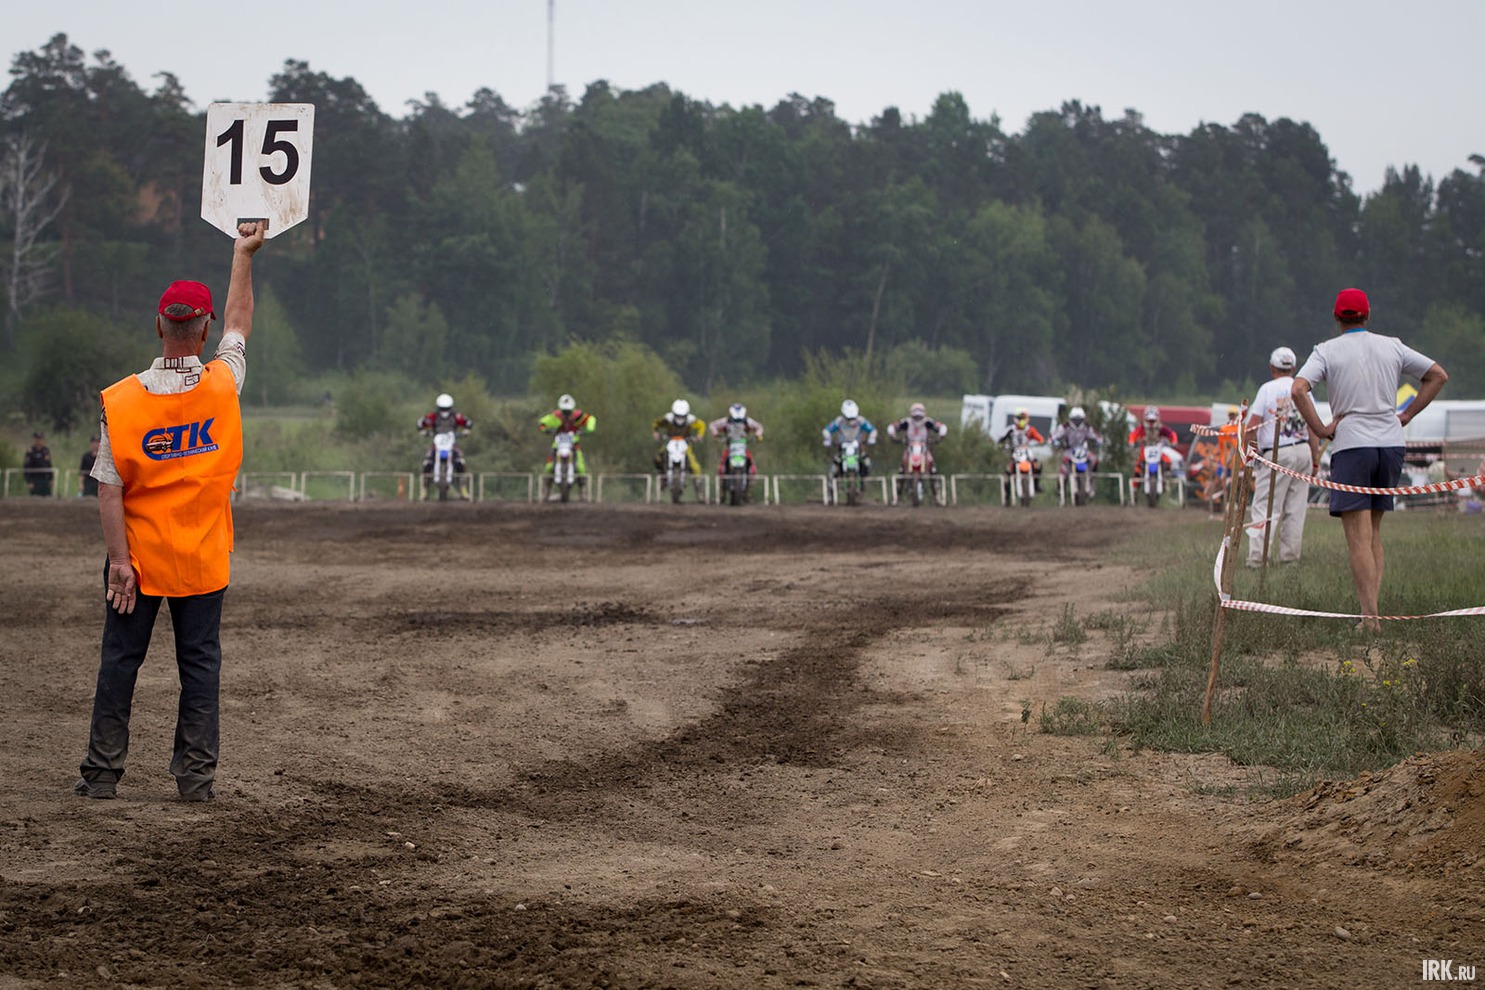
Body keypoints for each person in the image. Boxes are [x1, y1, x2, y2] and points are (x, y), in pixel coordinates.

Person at [74, 220, 266, 802]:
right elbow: (240, 323)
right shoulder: (222, 383)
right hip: (202, 557)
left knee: (120, 662)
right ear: (202, 329)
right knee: (200, 666)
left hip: (139, 559)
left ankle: (103, 775)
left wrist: (118, 563)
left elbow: (108, 487)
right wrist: (242, 253)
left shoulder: (122, 400)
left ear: (159, 324)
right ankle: (196, 779)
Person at [1292, 288, 1447, 632]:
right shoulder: (1392, 345)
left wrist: (1320, 428)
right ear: (1368, 314)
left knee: (1357, 538)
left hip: (1351, 445)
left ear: (1336, 317)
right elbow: (1438, 375)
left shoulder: (1326, 351)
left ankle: (1370, 619)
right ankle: (1372, 614)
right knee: (1374, 532)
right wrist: (1404, 415)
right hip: (1391, 445)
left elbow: (1298, 389)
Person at [1246, 348, 1322, 567]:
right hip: (1303, 451)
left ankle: (1258, 558)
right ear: (1294, 368)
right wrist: (1314, 458)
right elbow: (1313, 427)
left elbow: (1252, 427)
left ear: (1272, 368)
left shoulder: (1267, 390)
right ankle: (1289, 559)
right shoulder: (1303, 389)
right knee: (1295, 509)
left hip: (1276, 453)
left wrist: (1250, 458)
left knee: (1265, 506)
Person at [538, 394, 597, 498]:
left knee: (581, 467)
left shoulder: (578, 416)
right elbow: (543, 422)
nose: (566, 414)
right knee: (548, 467)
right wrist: (545, 429)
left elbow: (591, 419)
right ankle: (547, 489)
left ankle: (582, 489)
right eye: (564, 412)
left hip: (574, 444)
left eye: (568, 412)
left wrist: (588, 430)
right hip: (557, 445)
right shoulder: (555, 416)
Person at [417, 392, 473, 499]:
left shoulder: (456, 416)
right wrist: (423, 432)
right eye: (442, 408)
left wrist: (466, 431)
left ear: (450, 408)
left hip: (451, 444)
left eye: (446, 408)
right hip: (436, 444)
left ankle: (463, 489)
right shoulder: (433, 417)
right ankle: (424, 490)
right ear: (438, 408)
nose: (444, 411)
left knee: (461, 462)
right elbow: (420, 423)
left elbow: (468, 423)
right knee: (427, 463)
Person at [652, 399, 706, 501]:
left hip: (685, 444)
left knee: (695, 466)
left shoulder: (691, 420)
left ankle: (699, 491)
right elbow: (656, 423)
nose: (680, 419)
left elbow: (702, 425)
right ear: (673, 413)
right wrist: (655, 432)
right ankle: (663, 477)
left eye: (682, 416)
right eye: (678, 416)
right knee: (658, 458)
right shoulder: (667, 419)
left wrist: (699, 436)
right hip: (669, 442)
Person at [708, 403, 764, 500]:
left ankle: (748, 493)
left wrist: (757, 435)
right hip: (730, 448)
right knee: (721, 469)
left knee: (753, 469)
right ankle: (722, 493)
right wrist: (716, 434)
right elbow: (712, 425)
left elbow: (759, 427)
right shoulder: (726, 421)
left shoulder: (747, 421)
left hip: (743, 448)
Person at [1050, 406, 1104, 492]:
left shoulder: (1086, 427)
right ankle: (1060, 487)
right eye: (1075, 419)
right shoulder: (1065, 427)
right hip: (1069, 450)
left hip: (1083, 450)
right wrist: (1055, 441)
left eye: (1079, 419)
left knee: (1094, 459)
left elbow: (1096, 436)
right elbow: (1053, 436)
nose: (1077, 421)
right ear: (1071, 418)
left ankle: (1091, 478)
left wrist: (1099, 441)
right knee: (1064, 469)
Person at [822, 399, 878, 479]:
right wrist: (828, 439)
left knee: (867, 463)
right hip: (842, 448)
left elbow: (872, 430)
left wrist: (872, 438)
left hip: (857, 448)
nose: (851, 421)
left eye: (853, 418)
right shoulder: (839, 421)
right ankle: (832, 485)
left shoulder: (861, 420)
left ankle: (864, 479)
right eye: (849, 419)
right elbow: (827, 430)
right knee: (834, 467)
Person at [998, 408, 1045, 489]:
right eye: (1020, 418)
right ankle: (1007, 490)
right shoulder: (1010, 429)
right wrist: (1001, 445)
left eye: (1024, 418)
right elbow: (1001, 439)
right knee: (1008, 470)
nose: (1022, 420)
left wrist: (1042, 442)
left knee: (1038, 465)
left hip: (1027, 451)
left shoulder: (1030, 429)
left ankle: (1036, 485)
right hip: (1015, 452)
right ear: (1016, 419)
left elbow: (1040, 438)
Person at [23, 431, 53, 497]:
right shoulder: (30, 451)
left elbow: (49, 465)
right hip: (34, 478)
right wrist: (29, 481)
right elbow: (26, 467)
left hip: (44, 478)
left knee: (47, 497)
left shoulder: (45, 450)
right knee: (35, 497)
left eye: (40, 439)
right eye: (37, 439)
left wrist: (51, 478)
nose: (38, 441)